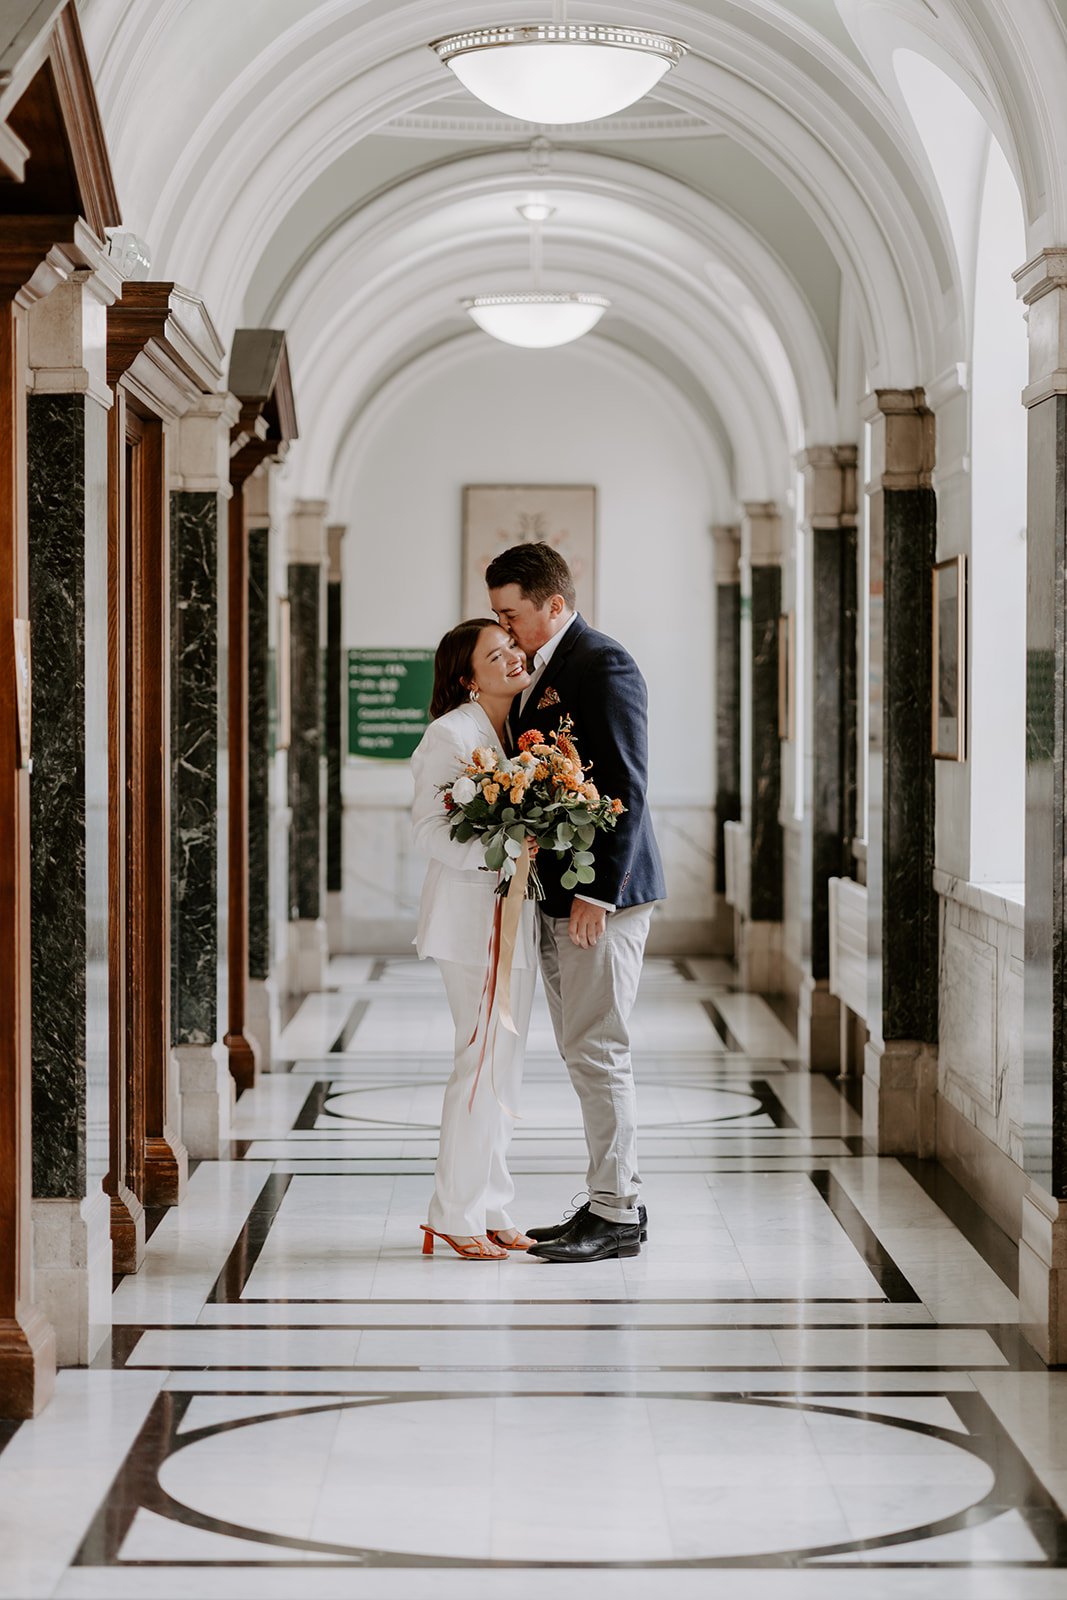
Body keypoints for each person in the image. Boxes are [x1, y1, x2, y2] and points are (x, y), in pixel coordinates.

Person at [486, 543, 665, 1263]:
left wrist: (597, 890)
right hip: (560, 893)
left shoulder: (601, 662)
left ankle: (616, 1213)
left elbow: (625, 783)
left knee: (598, 1049)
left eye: (512, 614)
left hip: (601, 897)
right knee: (582, 1047)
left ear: (552, 605)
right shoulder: (543, 670)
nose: (504, 630)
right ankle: (610, 1197)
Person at [410, 618, 538, 1260]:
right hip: (469, 924)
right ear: (468, 677)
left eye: (513, 646)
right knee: (479, 1064)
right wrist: (504, 848)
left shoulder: (516, 730)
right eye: (498, 653)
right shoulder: (450, 734)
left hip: (514, 920)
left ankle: (491, 1205)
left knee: (504, 1069)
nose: (515, 656)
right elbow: (430, 831)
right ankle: (453, 1212)